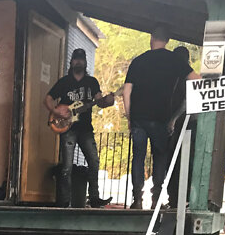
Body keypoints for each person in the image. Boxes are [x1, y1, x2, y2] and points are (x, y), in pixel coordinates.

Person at [123, 27, 201, 209]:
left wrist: (129, 116)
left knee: (138, 157)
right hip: (161, 118)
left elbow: (127, 91)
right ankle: (156, 199)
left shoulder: (139, 61)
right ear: (167, 40)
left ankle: (137, 199)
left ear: (152, 38)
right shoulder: (174, 60)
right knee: (159, 157)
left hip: (139, 118)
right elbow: (195, 79)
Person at [44, 48, 114, 208]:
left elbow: (99, 101)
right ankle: (64, 202)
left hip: (85, 129)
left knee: (94, 161)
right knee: (66, 167)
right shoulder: (64, 82)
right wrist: (56, 111)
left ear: (85, 62)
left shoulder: (92, 82)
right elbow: (47, 99)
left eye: (81, 59)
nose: (78, 62)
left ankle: (94, 198)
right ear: (71, 62)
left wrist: (108, 101)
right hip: (67, 129)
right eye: (76, 59)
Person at [166, 46, 198, 209]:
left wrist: (173, 120)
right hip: (176, 125)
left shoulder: (187, 77)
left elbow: (186, 102)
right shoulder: (172, 78)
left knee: (185, 161)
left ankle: (185, 197)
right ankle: (174, 198)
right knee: (172, 161)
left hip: (187, 124)